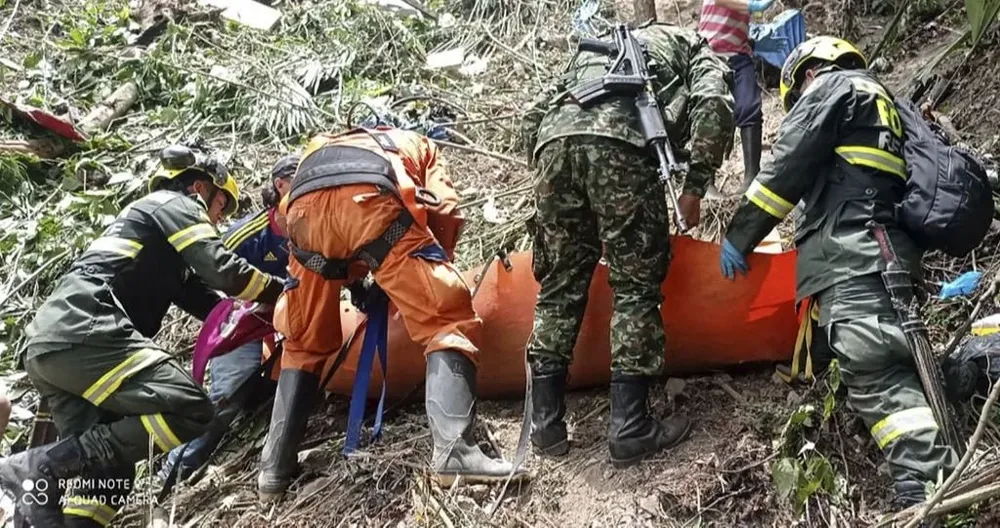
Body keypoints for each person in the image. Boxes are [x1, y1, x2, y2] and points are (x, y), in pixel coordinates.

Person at [718, 36, 959, 508]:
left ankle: (928, 481)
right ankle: (965, 376)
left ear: (810, 73)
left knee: (876, 371)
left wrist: (739, 235)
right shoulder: (884, 102)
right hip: (893, 257)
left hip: (854, 257)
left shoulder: (833, 90)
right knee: (896, 351)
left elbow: (787, 168)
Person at [0, 145, 285, 528]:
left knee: (109, 476)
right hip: (88, 328)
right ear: (201, 188)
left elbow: (216, 308)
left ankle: (45, 486)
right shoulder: (173, 202)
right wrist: (283, 292)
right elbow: (224, 271)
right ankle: (37, 465)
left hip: (53, 343)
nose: (218, 221)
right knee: (191, 406)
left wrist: (264, 318)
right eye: (220, 208)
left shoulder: (160, 250)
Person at [256, 126, 526, 502]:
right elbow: (445, 210)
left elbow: (329, 224)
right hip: (369, 202)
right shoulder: (420, 146)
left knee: (301, 343)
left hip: (303, 215)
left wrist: (359, 277)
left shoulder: (322, 144)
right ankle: (454, 454)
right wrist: (430, 272)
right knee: (445, 319)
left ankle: (273, 472)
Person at [520, 22, 735, 467]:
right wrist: (695, 184)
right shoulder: (692, 46)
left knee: (559, 285)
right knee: (636, 286)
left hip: (552, 148)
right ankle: (630, 426)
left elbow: (532, 117)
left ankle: (544, 426)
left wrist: (548, 171)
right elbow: (713, 103)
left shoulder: (595, 49)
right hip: (623, 147)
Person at [158, 154, 297, 482]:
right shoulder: (247, 235)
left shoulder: (319, 226)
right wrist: (250, 306)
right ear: (280, 187)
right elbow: (210, 276)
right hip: (247, 324)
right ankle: (174, 470)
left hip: (292, 323)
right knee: (228, 396)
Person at [698, 0, 774, 187]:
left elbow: (733, 26)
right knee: (710, 115)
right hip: (711, 55)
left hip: (739, 56)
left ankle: (751, 177)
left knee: (750, 108)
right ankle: (707, 183)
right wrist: (751, 7)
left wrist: (754, 43)